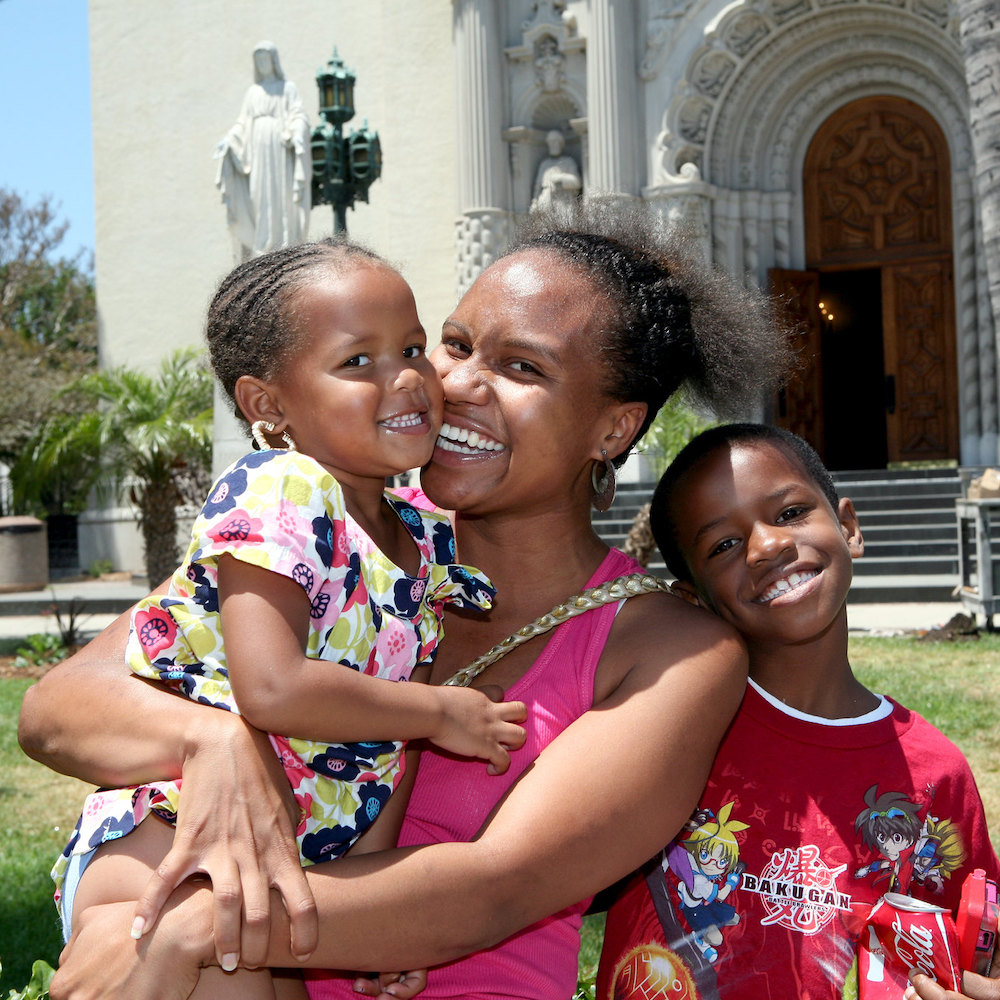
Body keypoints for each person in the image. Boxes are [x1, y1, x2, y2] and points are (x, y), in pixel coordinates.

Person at [20, 202, 788, 1000]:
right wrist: (211, 741)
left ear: (614, 428)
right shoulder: (338, 538)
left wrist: (189, 927)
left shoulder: (673, 651)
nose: (452, 383)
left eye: (522, 368)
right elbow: (59, 705)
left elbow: (496, 886)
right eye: (454, 345)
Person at [51, 238, 527, 1000]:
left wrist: (369, 913)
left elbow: (384, 759)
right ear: (268, 406)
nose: (406, 378)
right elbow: (272, 687)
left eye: (411, 347)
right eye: (357, 362)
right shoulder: (284, 491)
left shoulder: (427, 542)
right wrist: (438, 711)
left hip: (279, 872)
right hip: (175, 844)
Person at [596, 423, 1000, 1000]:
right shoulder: (664, 730)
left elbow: (972, 954)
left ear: (849, 528)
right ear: (693, 598)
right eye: (723, 545)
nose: (766, 546)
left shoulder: (938, 774)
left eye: (788, 513)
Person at [215, 42, 311, 260]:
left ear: (273, 61)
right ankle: (264, 243)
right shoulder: (253, 92)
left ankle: (284, 243)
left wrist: (297, 132)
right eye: (258, 61)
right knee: (260, 196)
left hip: (280, 151)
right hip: (257, 152)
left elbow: (299, 114)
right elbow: (242, 123)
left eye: (265, 59)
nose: (262, 64)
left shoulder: (288, 88)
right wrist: (228, 141)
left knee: (281, 195)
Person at [530, 130, 582, 211]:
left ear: (561, 144)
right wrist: (535, 203)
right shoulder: (544, 164)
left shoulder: (568, 161)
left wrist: (561, 177)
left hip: (564, 202)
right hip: (546, 201)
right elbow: (537, 187)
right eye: (550, 142)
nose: (553, 145)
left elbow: (577, 182)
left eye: (555, 142)